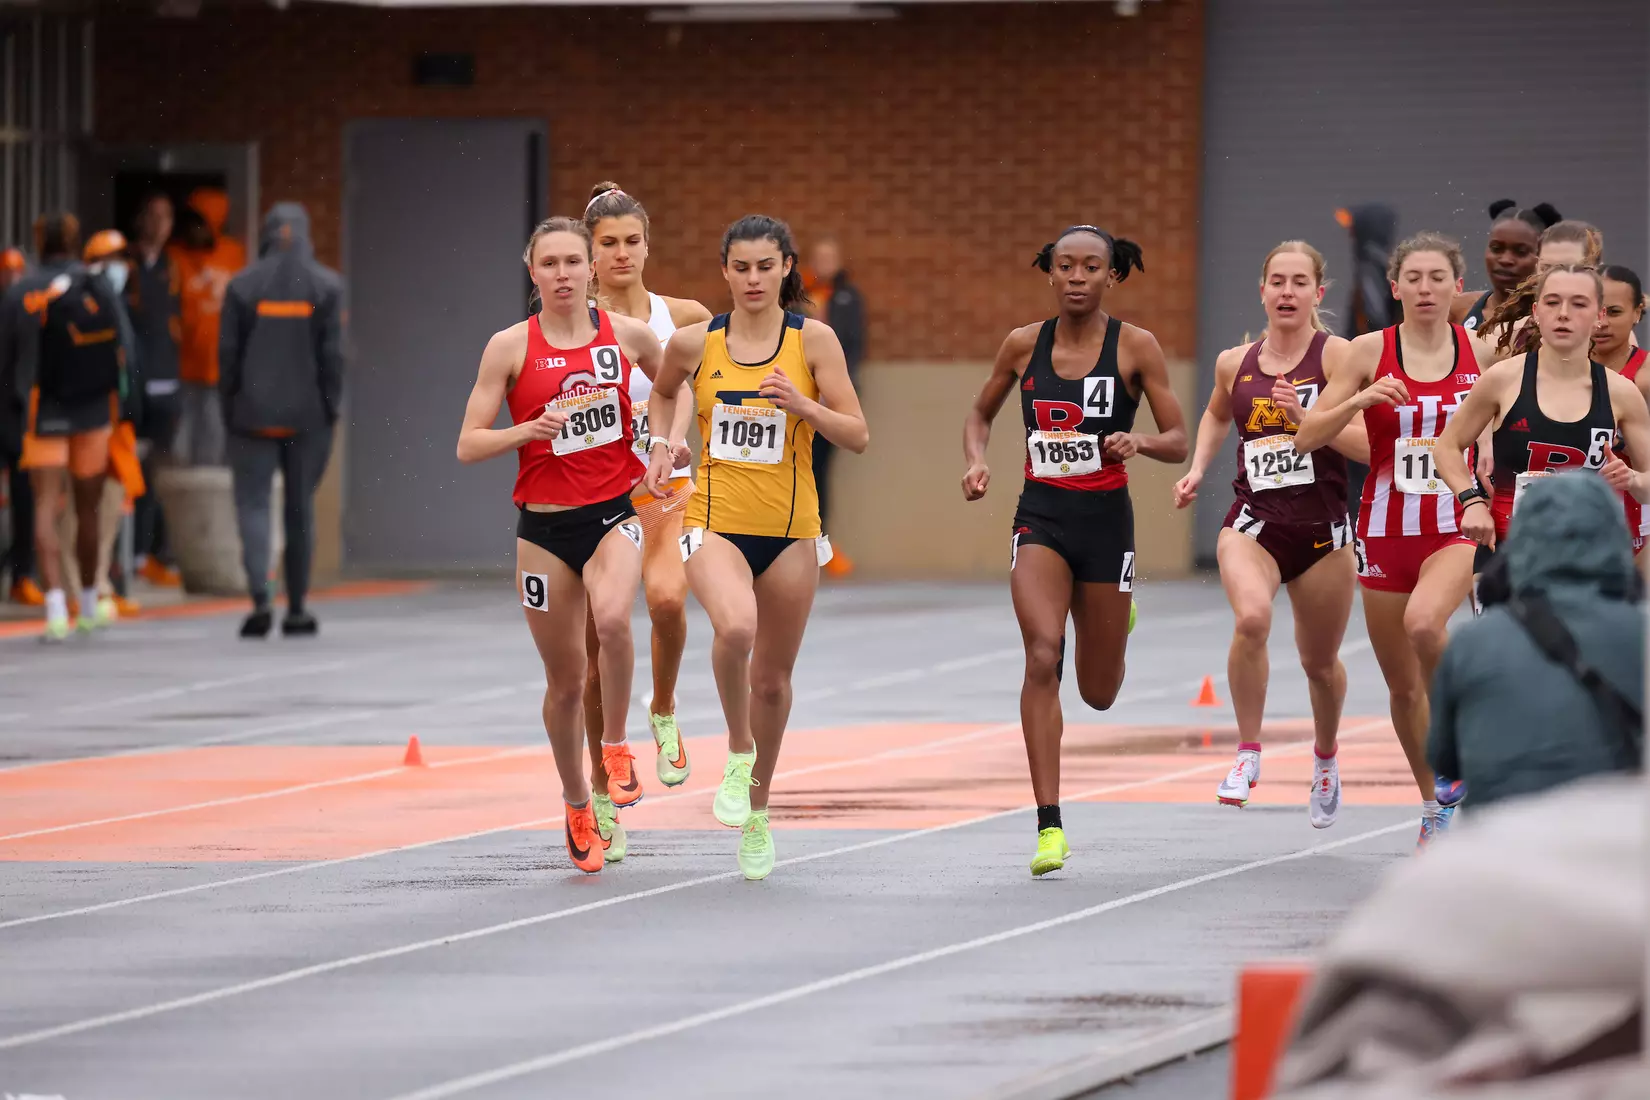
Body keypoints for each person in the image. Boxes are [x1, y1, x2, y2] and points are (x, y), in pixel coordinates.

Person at [644, 214, 869, 881]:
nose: (752, 279)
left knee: (771, 680)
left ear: (786, 269)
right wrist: (663, 445)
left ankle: (759, 809)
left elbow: (856, 434)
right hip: (713, 519)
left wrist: (803, 405)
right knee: (735, 626)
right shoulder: (693, 343)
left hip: (794, 530)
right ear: (725, 271)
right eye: (739, 267)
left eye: (764, 267)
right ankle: (739, 752)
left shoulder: (814, 341)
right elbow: (662, 394)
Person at [961, 225, 1188, 877]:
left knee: (1100, 692)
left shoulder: (1136, 347)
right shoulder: (1022, 345)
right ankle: (1049, 826)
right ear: (1050, 274)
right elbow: (980, 414)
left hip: (1106, 525)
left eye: (1093, 266)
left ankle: (1117, 617)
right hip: (1040, 519)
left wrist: (1138, 443)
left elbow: (1178, 437)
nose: (1079, 277)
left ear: (1112, 275)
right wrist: (976, 462)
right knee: (1041, 655)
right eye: (1066, 266)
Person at [457, 215, 662, 875]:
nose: (565, 274)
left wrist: (664, 439)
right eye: (551, 264)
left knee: (613, 622)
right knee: (567, 681)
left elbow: (674, 386)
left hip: (612, 514)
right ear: (533, 272)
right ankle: (577, 801)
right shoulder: (509, 347)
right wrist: (529, 431)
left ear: (592, 268)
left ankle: (618, 747)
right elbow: (468, 444)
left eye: (575, 261)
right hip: (543, 529)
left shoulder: (625, 335)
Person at [1296, 232, 1485, 847]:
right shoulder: (1367, 351)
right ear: (1395, 287)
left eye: (1438, 278)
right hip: (1383, 529)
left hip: (1454, 523)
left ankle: (1459, 736)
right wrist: (1366, 394)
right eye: (1415, 278)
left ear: (1457, 287)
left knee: (1427, 625)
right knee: (1402, 686)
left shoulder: (1479, 349)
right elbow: (1308, 436)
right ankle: (1435, 806)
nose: (1426, 289)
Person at [1173, 242, 1364, 824]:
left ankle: (1326, 759)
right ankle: (1248, 752)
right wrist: (1199, 468)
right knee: (1252, 619)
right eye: (1276, 281)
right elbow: (1215, 413)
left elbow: (1367, 445)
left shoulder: (1339, 358)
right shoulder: (1235, 362)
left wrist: (1308, 423)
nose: (1287, 292)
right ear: (1261, 290)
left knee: (1320, 663)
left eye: (1299, 282)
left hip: (1324, 532)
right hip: (1255, 523)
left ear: (1317, 294)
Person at [579, 182, 711, 861]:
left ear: (647, 246)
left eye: (633, 242)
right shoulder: (573, 323)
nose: (622, 254)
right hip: (598, 501)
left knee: (665, 600)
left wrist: (687, 439)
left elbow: (711, 389)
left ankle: (662, 707)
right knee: (596, 657)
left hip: (669, 494)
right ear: (589, 254)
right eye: (609, 244)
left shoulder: (682, 315)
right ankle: (603, 793)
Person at [1427, 473, 1642, 814]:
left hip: (1510, 833)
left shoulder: (1473, 642)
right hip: (1615, 828)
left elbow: (1445, 759)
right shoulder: (1640, 631)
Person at [1438, 264, 1650, 556]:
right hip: (1507, 551)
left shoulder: (1621, 392)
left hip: (1586, 556)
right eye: (1552, 302)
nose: (1563, 313)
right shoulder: (1502, 378)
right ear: (1536, 312)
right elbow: (1446, 447)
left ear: (1599, 316)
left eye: (1579, 304)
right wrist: (1471, 502)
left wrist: (1634, 479)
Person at [218, 203, 344, 638]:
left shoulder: (241, 286)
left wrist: (230, 410)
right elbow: (333, 358)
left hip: (250, 416)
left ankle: (259, 598)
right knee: (299, 510)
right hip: (308, 417)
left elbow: (227, 359)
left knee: (253, 505)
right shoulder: (326, 286)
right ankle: (297, 608)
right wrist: (331, 408)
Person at [0, 214, 127, 641]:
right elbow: (124, 347)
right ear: (75, 243)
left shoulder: (20, 292)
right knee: (86, 509)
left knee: (43, 507)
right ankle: (89, 602)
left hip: (42, 412)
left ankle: (55, 609)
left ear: (38, 241)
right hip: (92, 411)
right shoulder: (97, 287)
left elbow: (4, 361)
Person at [124, 190, 183, 586]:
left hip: (168, 381)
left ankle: (152, 551)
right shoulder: (126, 263)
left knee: (160, 470)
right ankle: (129, 554)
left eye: (168, 217)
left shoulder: (172, 266)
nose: (161, 224)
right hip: (136, 382)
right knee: (132, 470)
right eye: (155, 215)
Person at [802, 234, 866, 579]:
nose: (825, 264)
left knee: (818, 471)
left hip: (831, 397)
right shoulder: (800, 296)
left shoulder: (847, 298)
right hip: (799, 395)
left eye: (831, 257)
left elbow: (854, 344)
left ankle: (818, 539)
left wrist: (840, 389)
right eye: (820, 257)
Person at [171, 186, 246, 466]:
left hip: (220, 365)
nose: (193, 230)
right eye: (189, 223)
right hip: (182, 364)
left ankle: (207, 494)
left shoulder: (234, 255)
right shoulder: (174, 256)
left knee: (215, 431)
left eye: (199, 223)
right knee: (181, 431)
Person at [1478, 219, 1602, 358]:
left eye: (1569, 268)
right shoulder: (1507, 336)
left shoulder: (1610, 339)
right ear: (1536, 265)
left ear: (1595, 270)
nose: (1556, 278)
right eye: (1546, 268)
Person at [1592, 265, 1648, 555]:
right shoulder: (1548, 370)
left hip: (1632, 527)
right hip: (1561, 523)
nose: (1601, 323)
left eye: (1613, 312)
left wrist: (1625, 442)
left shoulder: (1645, 376)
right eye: (1594, 309)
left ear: (1637, 312)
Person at [1452, 200, 1560, 332]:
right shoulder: (1457, 309)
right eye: (1496, 248)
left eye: (1521, 252)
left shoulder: (1556, 319)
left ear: (1542, 257)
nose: (1506, 260)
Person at [0, 245, 39, 607]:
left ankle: (21, 574)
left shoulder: (30, 308)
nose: (11, 278)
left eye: (16, 271)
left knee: (26, 498)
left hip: (18, 417)